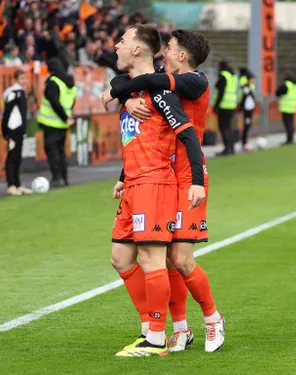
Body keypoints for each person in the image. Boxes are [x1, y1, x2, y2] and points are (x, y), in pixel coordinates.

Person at [102, 29, 225, 354]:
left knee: (180, 258)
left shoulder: (194, 81)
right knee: (167, 258)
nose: (164, 53)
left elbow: (149, 84)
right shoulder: (159, 82)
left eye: (168, 48)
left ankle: (212, 318)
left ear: (182, 55)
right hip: (161, 170)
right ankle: (180, 329)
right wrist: (124, 97)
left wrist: (118, 92)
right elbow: (141, 131)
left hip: (188, 175)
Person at [36, 58, 76, 188]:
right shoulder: (70, 83)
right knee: (60, 151)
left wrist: (64, 117)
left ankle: (57, 177)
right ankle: (64, 178)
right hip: (63, 123)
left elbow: (54, 102)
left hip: (52, 123)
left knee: (52, 152)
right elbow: (71, 102)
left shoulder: (53, 82)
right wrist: (68, 116)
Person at [1, 69, 32, 196]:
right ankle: (11, 185)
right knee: (12, 157)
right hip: (13, 129)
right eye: (21, 79)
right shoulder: (13, 93)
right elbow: (7, 113)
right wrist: (5, 130)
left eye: (25, 78)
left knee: (18, 157)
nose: (24, 81)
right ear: (16, 80)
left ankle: (17, 184)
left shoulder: (22, 92)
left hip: (19, 129)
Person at [213, 61, 238, 156]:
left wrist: (216, 105)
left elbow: (221, 92)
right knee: (229, 127)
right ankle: (231, 147)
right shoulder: (233, 76)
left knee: (223, 127)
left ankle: (227, 148)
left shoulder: (223, 75)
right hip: (232, 105)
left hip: (224, 105)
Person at [276, 74, 296, 145]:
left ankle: (289, 140)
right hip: (293, 107)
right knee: (291, 123)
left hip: (285, 107)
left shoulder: (287, 85)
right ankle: (291, 138)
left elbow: (278, 92)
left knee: (288, 124)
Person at [239, 73, 256, 151]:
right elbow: (244, 98)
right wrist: (241, 107)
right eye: (253, 79)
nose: (254, 81)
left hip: (250, 109)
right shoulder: (246, 87)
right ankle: (244, 143)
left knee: (248, 126)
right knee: (246, 126)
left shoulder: (250, 87)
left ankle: (245, 143)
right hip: (247, 110)